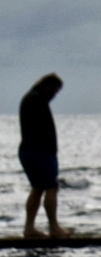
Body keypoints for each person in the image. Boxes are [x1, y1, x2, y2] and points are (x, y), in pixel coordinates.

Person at [18, 73, 71, 238]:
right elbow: (41, 129)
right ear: (47, 86)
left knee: (38, 188)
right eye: (55, 91)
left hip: (29, 150)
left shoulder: (31, 98)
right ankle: (54, 227)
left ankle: (29, 228)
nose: (54, 95)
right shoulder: (37, 100)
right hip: (39, 152)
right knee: (51, 187)